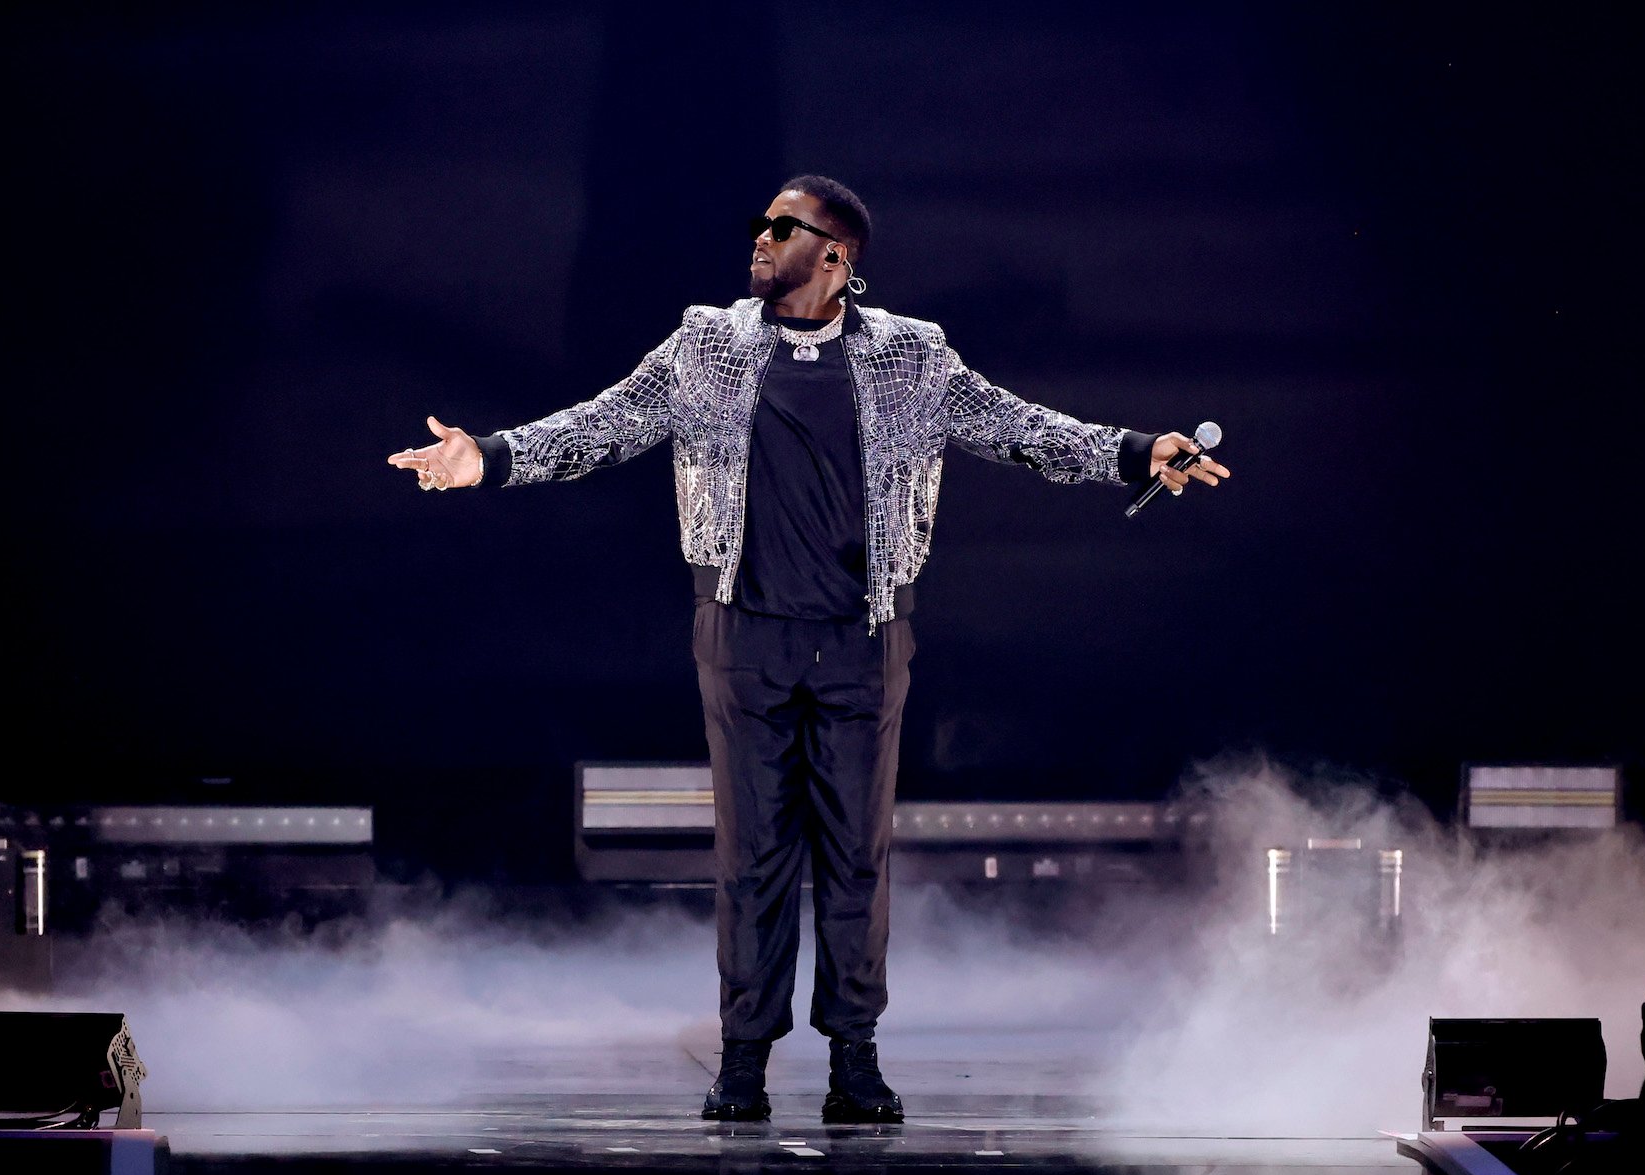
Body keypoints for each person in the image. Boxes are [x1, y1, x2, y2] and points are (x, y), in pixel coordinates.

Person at [388, 175, 1230, 1123]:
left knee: (854, 856)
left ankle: (854, 1062)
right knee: (751, 856)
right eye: (759, 221)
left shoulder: (914, 357)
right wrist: (487, 456)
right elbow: (604, 422)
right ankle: (742, 1058)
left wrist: (1134, 450)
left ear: (835, 255)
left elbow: (1019, 428)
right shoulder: (705, 343)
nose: (760, 236)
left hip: (865, 639)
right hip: (742, 635)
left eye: (782, 226)